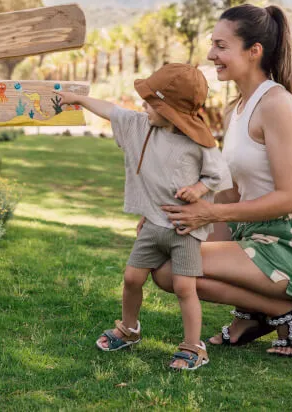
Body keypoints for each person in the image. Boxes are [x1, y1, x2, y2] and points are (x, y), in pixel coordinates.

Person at [154, 4, 292, 359]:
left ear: (254, 52)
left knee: (169, 267)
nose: (211, 55)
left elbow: (290, 198)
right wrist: (181, 225)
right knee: (163, 260)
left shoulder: (276, 104)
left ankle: (286, 313)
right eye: (213, 45)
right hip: (254, 233)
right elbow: (229, 193)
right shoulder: (235, 108)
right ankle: (270, 312)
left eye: (221, 46)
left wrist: (207, 217)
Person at [59, 63, 232, 370]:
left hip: (184, 229)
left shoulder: (199, 141)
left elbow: (218, 173)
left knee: (183, 287)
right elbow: (111, 111)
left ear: (170, 109)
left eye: (152, 102)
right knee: (131, 277)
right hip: (153, 224)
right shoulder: (142, 126)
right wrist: (80, 99)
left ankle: (194, 346)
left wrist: (198, 188)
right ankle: (129, 329)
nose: (143, 106)